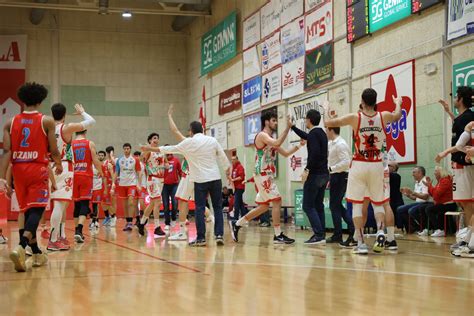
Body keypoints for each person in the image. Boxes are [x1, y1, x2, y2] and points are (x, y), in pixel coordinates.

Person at [324, 88, 402, 254]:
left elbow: (329, 123)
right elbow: (397, 116)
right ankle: (381, 232)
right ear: (376, 101)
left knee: (358, 205)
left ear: (362, 101)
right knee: (379, 203)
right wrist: (399, 103)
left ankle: (360, 242)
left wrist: (326, 110)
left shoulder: (355, 117)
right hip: (377, 164)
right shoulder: (384, 115)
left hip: (359, 164)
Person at [142, 106, 231, 247]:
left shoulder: (188, 143)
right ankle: (218, 234)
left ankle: (195, 236)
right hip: (215, 178)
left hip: (197, 178)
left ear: (191, 132)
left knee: (196, 206)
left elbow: (167, 147)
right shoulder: (212, 140)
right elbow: (223, 157)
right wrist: (228, 170)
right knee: (217, 207)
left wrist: (149, 148)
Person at [0, 82, 62, 272]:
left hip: (18, 170)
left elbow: (7, 151)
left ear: (22, 99)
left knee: (27, 211)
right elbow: (53, 149)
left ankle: (36, 253)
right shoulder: (47, 121)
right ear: (41, 100)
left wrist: (2, 177)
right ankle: (21, 246)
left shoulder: (10, 122)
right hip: (37, 168)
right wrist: (58, 163)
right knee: (37, 210)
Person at [230, 110, 304, 244]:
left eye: (276, 121)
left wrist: (300, 145)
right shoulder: (262, 136)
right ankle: (277, 235)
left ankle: (237, 223)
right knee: (277, 201)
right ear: (266, 122)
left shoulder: (270, 140)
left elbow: (286, 153)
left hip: (265, 175)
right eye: (273, 120)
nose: (276, 123)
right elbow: (276, 143)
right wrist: (288, 127)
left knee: (263, 207)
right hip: (262, 174)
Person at [47, 102, 96, 251]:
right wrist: (82, 112)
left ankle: (60, 236)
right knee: (59, 205)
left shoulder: (47, 129)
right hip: (63, 166)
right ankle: (53, 239)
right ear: (64, 114)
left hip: (51, 167)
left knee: (62, 205)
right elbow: (91, 121)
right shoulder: (66, 128)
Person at [436, 86, 474, 257]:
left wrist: (446, 152)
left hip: (466, 166)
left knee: (469, 204)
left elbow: (462, 143)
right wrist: (448, 112)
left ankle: (469, 240)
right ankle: (468, 238)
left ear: (461, 99)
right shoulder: (461, 118)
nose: (454, 97)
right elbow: (459, 128)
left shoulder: (470, 117)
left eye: (456, 95)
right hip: (458, 166)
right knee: (464, 204)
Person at [288, 110, 328, 244]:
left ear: (309, 120)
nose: (305, 121)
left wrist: (307, 169)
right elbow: (306, 136)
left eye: (305, 119)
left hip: (315, 175)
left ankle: (318, 234)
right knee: (318, 205)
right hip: (324, 174)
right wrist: (292, 127)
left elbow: (315, 153)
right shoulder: (320, 132)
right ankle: (321, 234)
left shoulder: (314, 134)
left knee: (308, 206)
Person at [71, 130, 103, 243]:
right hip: (86, 176)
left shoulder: (71, 143)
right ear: (85, 131)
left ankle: (76, 231)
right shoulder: (89, 143)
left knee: (77, 204)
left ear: (76, 133)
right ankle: (79, 230)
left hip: (74, 176)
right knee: (85, 204)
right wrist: (101, 172)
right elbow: (95, 160)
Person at [325, 126, 354, 246]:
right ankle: (341, 233)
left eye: (327, 129)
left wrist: (331, 169)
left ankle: (350, 230)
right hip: (335, 176)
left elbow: (346, 162)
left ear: (331, 130)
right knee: (335, 205)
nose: (325, 131)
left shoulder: (341, 144)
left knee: (335, 205)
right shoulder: (331, 143)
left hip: (341, 176)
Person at [137, 133, 168, 238]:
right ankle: (157, 227)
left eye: (157, 138)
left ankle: (141, 223)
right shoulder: (148, 151)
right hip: (152, 178)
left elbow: (166, 163)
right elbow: (141, 159)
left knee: (152, 204)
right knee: (158, 203)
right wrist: (145, 150)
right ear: (150, 140)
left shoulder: (161, 151)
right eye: (154, 138)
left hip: (161, 179)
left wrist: (167, 166)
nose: (156, 140)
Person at [417, 166, 457, 237]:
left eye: (435, 171)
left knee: (429, 209)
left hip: (449, 204)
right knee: (422, 208)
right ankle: (428, 228)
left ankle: (439, 229)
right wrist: (430, 186)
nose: (434, 173)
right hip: (442, 203)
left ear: (440, 172)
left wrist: (429, 186)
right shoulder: (440, 181)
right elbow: (433, 194)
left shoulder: (445, 181)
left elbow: (436, 195)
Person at [396, 166, 431, 233]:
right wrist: (407, 194)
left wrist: (412, 192)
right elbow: (415, 198)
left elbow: (425, 197)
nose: (412, 174)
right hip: (418, 203)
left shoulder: (425, 181)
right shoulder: (417, 182)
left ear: (420, 173)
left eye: (414, 172)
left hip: (425, 203)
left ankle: (421, 227)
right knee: (399, 209)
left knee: (411, 210)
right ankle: (413, 228)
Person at [116, 143, 142, 232]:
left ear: (130, 149)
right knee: (125, 204)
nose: (126, 150)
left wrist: (138, 183)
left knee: (131, 202)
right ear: (123, 150)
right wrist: (112, 184)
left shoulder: (135, 159)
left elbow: (139, 172)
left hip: (132, 184)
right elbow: (116, 172)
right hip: (122, 184)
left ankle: (131, 222)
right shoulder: (119, 160)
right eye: (125, 149)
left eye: (128, 148)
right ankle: (127, 221)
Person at [163, 149, 181, 231]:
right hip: (164, 186)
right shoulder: (162, 161)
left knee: (175, 203)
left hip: (174, 185)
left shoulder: (176, 160)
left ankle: (173, 219)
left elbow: (180, 171)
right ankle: (167, 223)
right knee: (166, 205)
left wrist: (182, 182)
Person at [89, 150, 107, 234]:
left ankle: (94, 221)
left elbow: (104, 178)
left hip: (98, 188)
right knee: (89, 205)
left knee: (96, 204)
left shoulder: (101, 166)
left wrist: (106, 189)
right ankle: (93, 218)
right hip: (89, 188)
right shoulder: (89, 166)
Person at [101, 146, 117, 227]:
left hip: (112, 184)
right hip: (105, 184)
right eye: (109, 152)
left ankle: (114, 218)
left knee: (112, 203)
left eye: (111, 152)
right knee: (103, 203)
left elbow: (114, 174)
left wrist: (113, 184)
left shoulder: (115, 160)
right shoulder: (105, 162)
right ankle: (107, 217)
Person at [230, 155, 246, 220]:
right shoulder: (234, 167)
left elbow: (241, 177)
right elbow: (232, 177)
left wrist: (233, 180)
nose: (232, 161)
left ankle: (235, 218)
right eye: (231, 159)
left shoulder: (240, 167)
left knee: (236, 203)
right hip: (236, 187)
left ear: (237, 159)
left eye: (234, 159)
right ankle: (244, 217)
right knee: (240, 203)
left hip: (240, 187)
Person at [134, 150, 147, 225]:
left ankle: (145, 217)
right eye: (135, 156)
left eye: (138, 156)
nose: (137, 157)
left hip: (142, 185)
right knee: (135, 204)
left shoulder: (142, 165)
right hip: (134, 185)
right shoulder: (132, 164)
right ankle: (137, 219)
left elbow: (141, 175)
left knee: (142, 202)